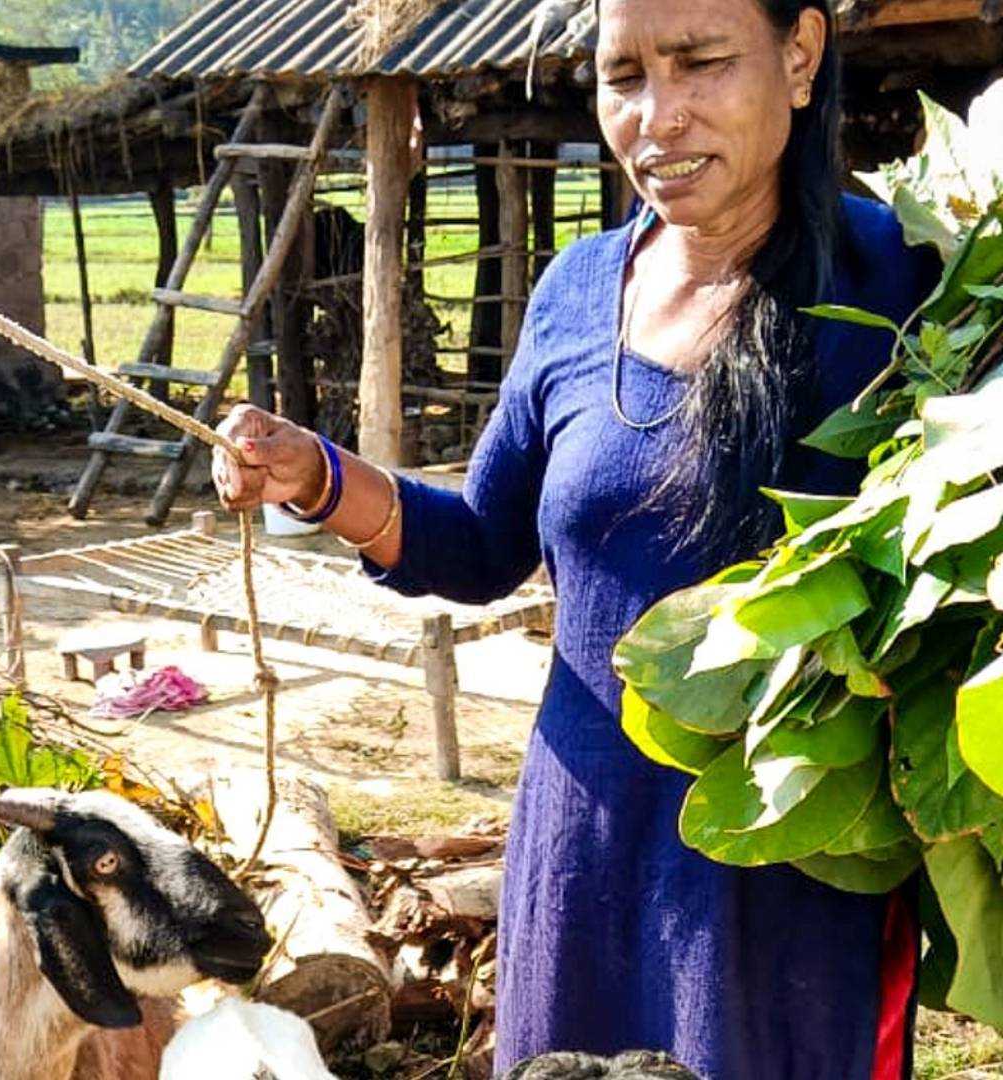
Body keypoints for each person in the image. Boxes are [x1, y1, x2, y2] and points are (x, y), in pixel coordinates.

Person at [212, 0, 937, 1077]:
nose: (657, 116)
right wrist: (319, 477)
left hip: (785, 869)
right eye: (625, 75)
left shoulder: (910, 290)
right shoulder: (578, 290)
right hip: (581, 840)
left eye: (699, 63)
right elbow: (483, 544)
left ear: (799, 57)